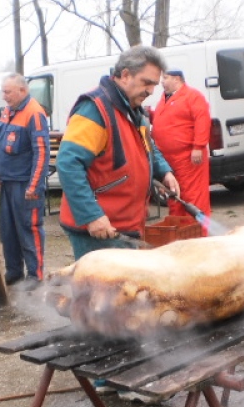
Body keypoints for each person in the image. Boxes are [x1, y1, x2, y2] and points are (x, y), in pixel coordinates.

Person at [56, 45, 180, 261]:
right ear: (125, 75)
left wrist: (165, 172)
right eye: (147, 82)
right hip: (99, 230)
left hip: (125, 226)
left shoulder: (134, 110)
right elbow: (68, 164)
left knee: (123, 292)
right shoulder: (94, 109)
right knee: (101, 294)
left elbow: (147, 146)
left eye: (154, 85)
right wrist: (91, 215)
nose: (151, 91)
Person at [0, 74, 49, 290]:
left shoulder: (34, 113)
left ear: (22, 91)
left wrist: (34, 186)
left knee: (29, 229)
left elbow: (41, 153)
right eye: (3, 91)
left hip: (25, 185)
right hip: (7, 182)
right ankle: (14, 271)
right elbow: (0, 143)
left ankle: (36, 275)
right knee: (8, 231)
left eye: (7, 92)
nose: (4, 97)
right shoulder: (8, 111)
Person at [150, 69, 212, 227]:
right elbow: (165, 118)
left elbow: (202, 120)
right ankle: (179, 232)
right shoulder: (165, 98)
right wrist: (150, 115)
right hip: (169, 160)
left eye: (165, 78)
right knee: (174, 196)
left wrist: (198, 146)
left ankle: (197, 234)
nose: (161, 81)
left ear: (177, 79)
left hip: (188, 157)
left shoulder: (193, 96)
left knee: (193, 196)